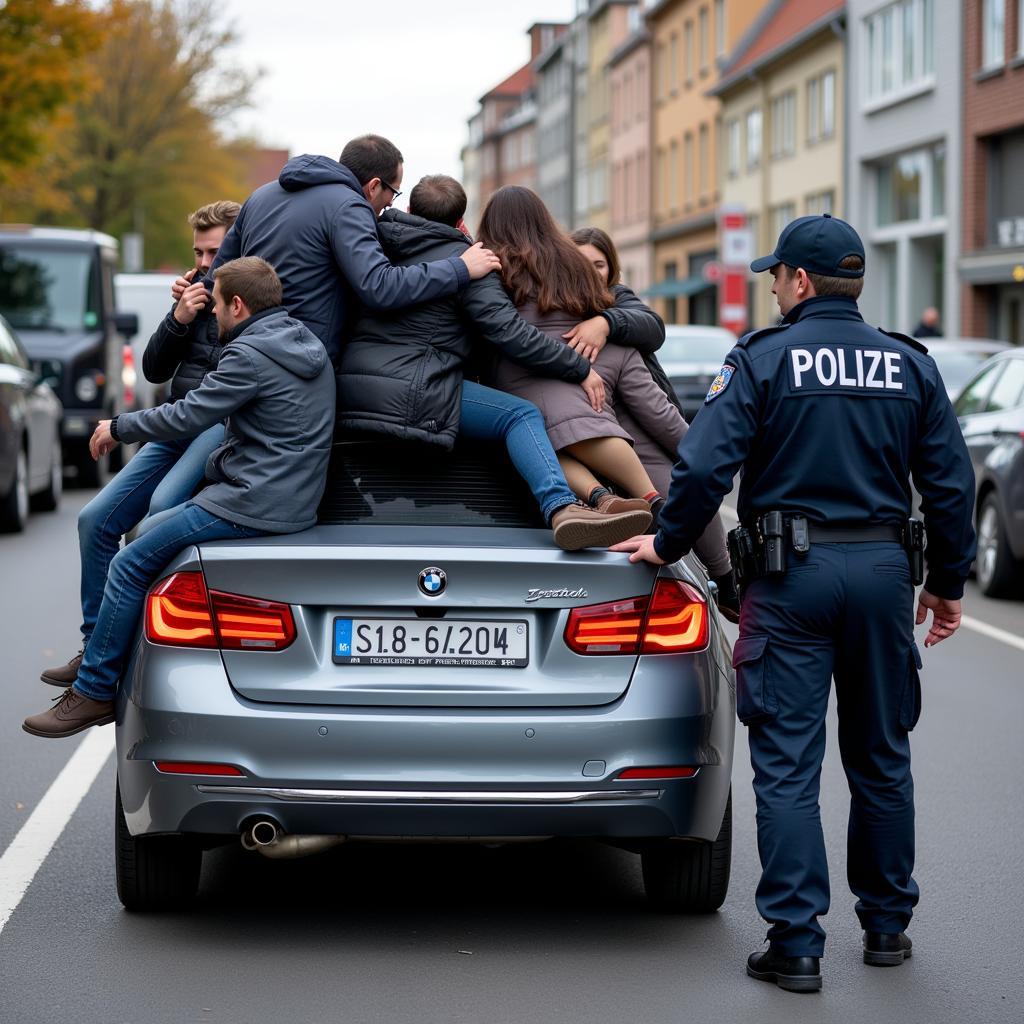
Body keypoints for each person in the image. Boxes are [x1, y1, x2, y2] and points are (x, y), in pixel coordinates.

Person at [611, 214, 976, 992]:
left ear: (801, 283)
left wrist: (667, 544)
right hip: (883, 575)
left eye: (778, 275)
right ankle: (886, 928)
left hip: (791, 578)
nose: (774, 285)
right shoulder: (908, 363)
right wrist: (947, 582)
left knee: (786, 766)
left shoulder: (764, 359)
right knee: (882, 758)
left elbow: (705, 466)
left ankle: (798, 944)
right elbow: (949, 482)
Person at [24, 257, 336, 738]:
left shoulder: (250, 355)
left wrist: (119, 427)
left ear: (237, 304)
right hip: (290, 498)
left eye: (215, 306)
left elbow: (188, 414)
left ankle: (93, 692)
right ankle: (104, 659)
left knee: (130, 563)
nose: (211, 315)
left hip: (252, 501)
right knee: (143, 537)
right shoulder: (303, 342)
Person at [337, 175, 651, 550]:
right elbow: (513, 335)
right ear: (460, 222)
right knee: (519, 416)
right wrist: (580, 367)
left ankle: (596, 498)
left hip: (349, 390)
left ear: (407, 211)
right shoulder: (473, 265)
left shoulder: (369, 250)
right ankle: (561, 506)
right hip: (418, 392)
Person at [40, 201, 240, 690]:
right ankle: (97, 645)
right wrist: (178, 317)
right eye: (198, 251)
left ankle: (142, 651)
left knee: (157, 515)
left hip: (216, 426)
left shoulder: (247, 298)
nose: (204, 261)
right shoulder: (192, 294)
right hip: (171, 425)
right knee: (94, 521)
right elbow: (153, 370)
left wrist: (219, 309)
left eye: (214, 250)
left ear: (237, 246)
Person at [208, 134, 500, 368]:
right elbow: (380, 287)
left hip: (244, 353)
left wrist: (190, 290)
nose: (389, 207)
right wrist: (460, 267)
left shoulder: (260, 195)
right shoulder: (349, 206)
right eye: (392, 194)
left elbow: (216, 279)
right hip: (301, 361)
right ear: (374, 186)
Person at [571, 226, 737, 617]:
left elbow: (652, 328)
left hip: (637, 421)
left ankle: (726, 576)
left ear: (611, 270)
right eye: (581, 263)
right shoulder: (552, 311)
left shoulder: (621, 305)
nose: (590, 272)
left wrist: (606, 323)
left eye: (599, 264)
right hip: (594, 427)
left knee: (685, 481)